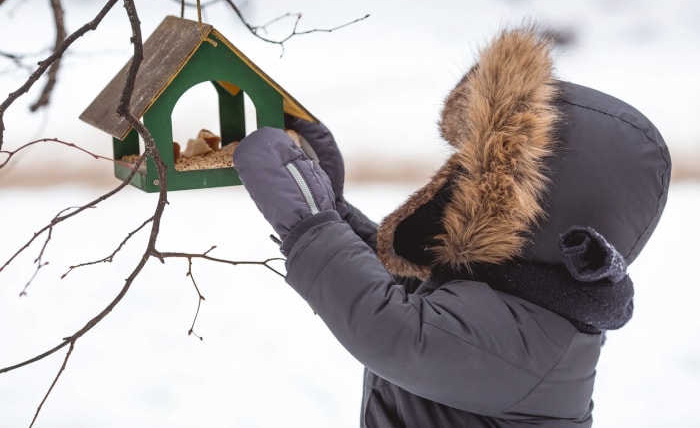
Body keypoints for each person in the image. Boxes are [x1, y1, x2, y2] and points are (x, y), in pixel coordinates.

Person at [233, 27, 671, 427]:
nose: (454, 180)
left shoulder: (533, 346)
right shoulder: (525, 296)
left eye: (478, 174)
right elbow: (416, 299)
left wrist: (312, 225)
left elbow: (397, 330)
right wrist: (337, 213)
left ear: (541, 205)